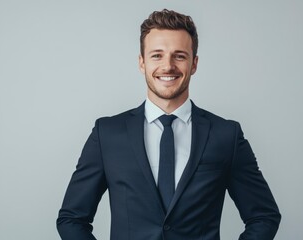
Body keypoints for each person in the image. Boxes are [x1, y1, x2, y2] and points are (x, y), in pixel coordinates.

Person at [56, 9, 281, 240]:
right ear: (142, 63)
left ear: (194, 64)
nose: (168, 66)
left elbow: (264, 216)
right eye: (157, 55)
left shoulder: (226, 135)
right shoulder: (107, 134)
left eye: (179, 56)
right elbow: (71, 219)